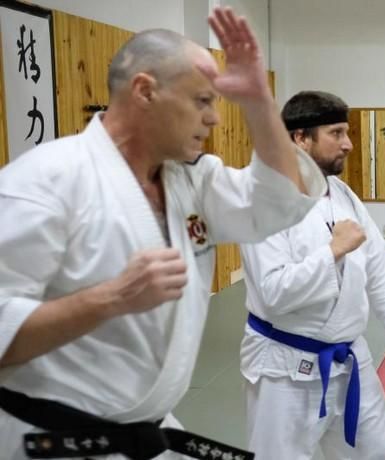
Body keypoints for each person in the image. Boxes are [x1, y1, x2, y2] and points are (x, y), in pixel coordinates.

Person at [0, 8, 327, 460]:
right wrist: (110, 299)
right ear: (145, 91)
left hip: (150, 434)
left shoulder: (191, 180)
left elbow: (280, 203)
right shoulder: (43, 182)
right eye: (202, 101)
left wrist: (258, 101)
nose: (214, 119)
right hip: (55, 444)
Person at [239, 90, 385, 460]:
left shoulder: (340, 193)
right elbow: (273, 292)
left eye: (347, 133)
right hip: (285, 367)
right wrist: (332, 251)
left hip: (350, 359)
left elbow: (380, 269)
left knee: (379, 454)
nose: (349, 144)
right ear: (299, 138)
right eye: (335, 133)